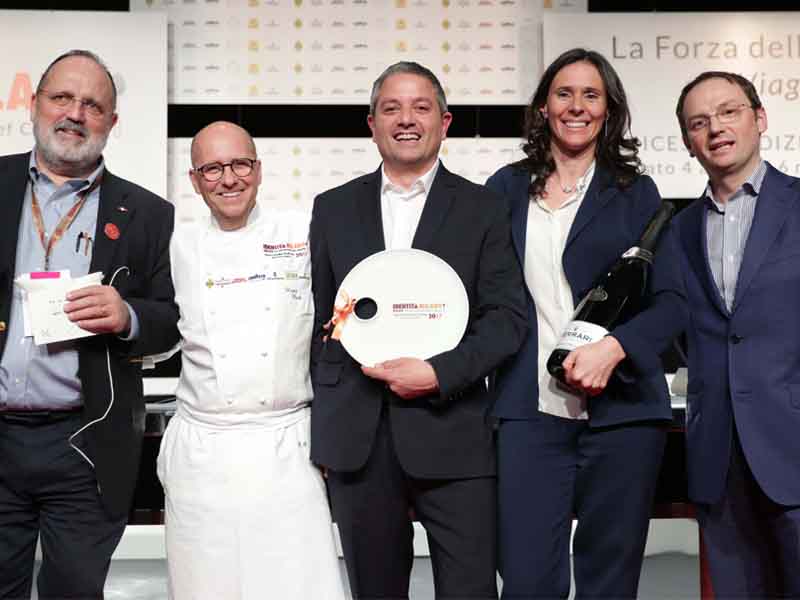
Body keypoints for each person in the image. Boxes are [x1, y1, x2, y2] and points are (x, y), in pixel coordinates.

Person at [309, 61, 527, 600]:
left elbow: (506, 320)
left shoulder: (484, 208)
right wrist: (325, 422)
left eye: (421, 107)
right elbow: (318, 321)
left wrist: (438, 373)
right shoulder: (333, 208)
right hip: (358, 439)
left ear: (445, 121)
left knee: (471, 590)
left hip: (454, 431)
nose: (406, 120)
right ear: (372, 123)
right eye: (391, 108)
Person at [486, 48, 687, 599]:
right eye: (564, 93)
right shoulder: (503, 190)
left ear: (609, 109)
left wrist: (616, 348)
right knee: (526, 581)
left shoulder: (634, 192)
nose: (577, 106)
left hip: (621, 416)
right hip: (529, 413)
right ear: (544, 108)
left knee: (609, 581)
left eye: (591, 95)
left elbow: (671, 302)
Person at [0, 49, 179, 599]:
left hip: (85, 444)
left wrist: (128, 317)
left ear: (112, 122)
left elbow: (171, 320)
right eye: (61, 97)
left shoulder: (148, 212)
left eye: (92, 104)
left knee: (74, 592)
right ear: (34, 105)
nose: (75, 113)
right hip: (0, 440)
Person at [159, 121, 345, 600]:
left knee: (300, 587)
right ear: (195, 179)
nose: (229, 179)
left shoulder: (303, 231)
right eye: (213, 169)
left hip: (285, 449)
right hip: (204, 453)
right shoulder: (175, 245)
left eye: (241, 164)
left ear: (259, 170)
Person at [673, 71, 800, 598]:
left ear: (760, 118)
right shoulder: (677, 229)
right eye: (699, 122)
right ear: (687, 141)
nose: (716, 129)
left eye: (728, 112)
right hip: (717, 457)